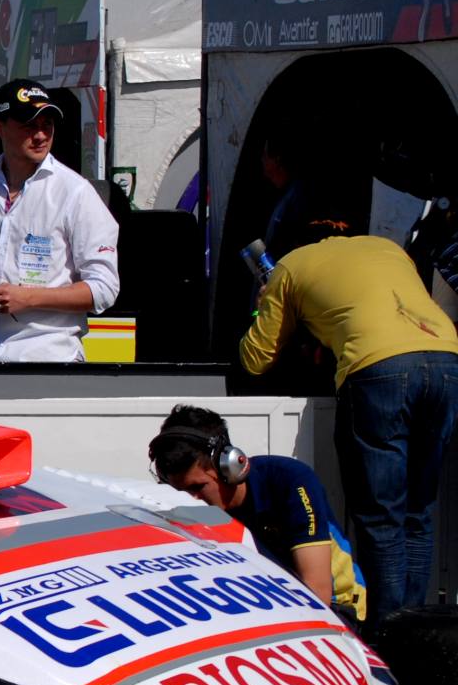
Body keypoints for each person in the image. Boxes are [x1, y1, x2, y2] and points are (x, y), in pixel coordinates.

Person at [238, 220, 458, 627]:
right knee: (418, 512)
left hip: (377, 368)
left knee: (382, 515)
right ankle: (418, 630)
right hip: (446, 356)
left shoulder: (290, 267)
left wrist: (265, 299)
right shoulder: (388, 248)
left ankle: (389, 634)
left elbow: (256, 358)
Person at [0, 79, 120, 362]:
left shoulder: (75, 192)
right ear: (0, 129)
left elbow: (105, 288)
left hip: (47, 359)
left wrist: (29, 298)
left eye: (47, 125)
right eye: (29, 125)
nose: (40, 135)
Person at [148, 406, 365, 617]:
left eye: (197, 487)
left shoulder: (291, 481)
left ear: (229, 465)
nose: (189, 500)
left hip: (337, 607)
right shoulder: (183, 507)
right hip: (266, 607)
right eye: (179, 491)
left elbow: (319, 593)